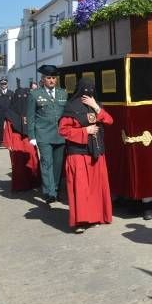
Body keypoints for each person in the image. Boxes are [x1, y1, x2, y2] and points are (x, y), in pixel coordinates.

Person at [58, 78, 114, 234]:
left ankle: (95, 217)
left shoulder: (96, 105)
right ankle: (81, 221)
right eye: (85, 89)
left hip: (96, 152)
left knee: (95, 187)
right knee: (81, 189)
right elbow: (63, 130)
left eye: (91, 90)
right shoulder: (71, 107)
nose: (88, 93)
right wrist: (85, 131)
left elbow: (109, 121)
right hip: (78, 154)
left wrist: (95, 106)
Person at [26, 65, 68, 206]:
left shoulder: (63, 93)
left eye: (53, 78)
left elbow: (67, 115)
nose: (51, 80)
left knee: (57, 165)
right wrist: (31, 136)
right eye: (48, 78)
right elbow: (30, 117)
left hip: (60, 135)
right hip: (43, 135)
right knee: (46, 163)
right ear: (43, 79)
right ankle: (50, 193)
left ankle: (55, 188)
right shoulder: (34, 94)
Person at [3, 87, 41, 192]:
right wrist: (8, 143)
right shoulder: (10, 112)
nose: (22, 99)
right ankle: (20, 185)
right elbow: (8, 129)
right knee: (19, 163)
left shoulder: (31, 110)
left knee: (32, 160)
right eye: (19, 97)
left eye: (25, 97)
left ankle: (34, 182)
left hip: (29, 138)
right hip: (16, 139)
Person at [0, 78, 13, 147]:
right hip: (0, 112)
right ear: (0, 84)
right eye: (2, 84)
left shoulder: (11, 93)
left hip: (9, 113)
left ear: (7, 84)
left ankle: (10, 140)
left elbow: (13, 104)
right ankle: (0, 141)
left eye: (5, 84)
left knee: (10, 126)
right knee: (0, 127)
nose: (3, 85)